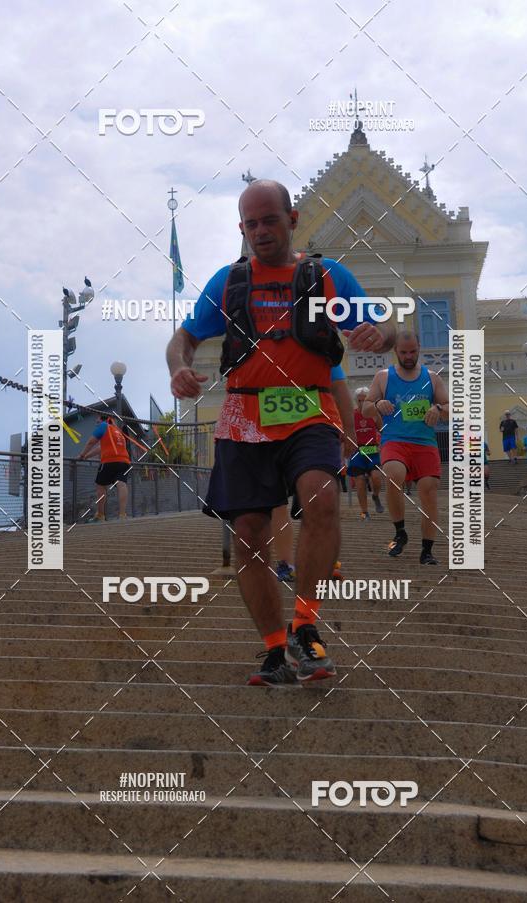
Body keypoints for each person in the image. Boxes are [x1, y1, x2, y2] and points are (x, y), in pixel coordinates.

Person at [167, 179, 396, 685]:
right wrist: (178, 367)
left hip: (309, 410)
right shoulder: (228, 282)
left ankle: (306, 626)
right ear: (242, 229)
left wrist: (381, 334)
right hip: (243, 417)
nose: (261, 231)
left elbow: (391, 330)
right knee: (248, 534)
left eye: (270, 220)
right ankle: (274, 650)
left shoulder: (328, 277)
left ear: (292, 220)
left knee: (321, 499)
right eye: (251, 224)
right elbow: (183, 337)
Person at [363, 330, 449, 565]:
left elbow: (451, 407)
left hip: (425, 443)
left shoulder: (432, 378)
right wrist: (378, 404)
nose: (408, 356)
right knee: (393, 475)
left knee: (429, 491)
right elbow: (366, 408)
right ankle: (400, 531)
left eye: (413, 352)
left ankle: (427, 550)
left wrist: (438, 409)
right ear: (396, 352)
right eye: (403, 352)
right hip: (395, 440)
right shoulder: (383, 377)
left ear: (419, 348)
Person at [272, 365, 357, 582]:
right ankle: (285, 563)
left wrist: (349, 430)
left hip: (314, 431)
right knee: (277, 501)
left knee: (320, 497)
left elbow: (339, 387)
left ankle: (322, 563)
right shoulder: (261, 341)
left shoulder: (316, 339)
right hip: (270, 428)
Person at [78, 415, 130, 521]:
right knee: (121, 484)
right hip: (124, 461)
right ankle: (122, 515)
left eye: (97, 419)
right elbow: (101, 448)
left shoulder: (103, 426)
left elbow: (91, 442)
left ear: (102, 419)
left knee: (100, 485)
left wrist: (82, 455)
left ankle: (100, 515)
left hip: (109, 460)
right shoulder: (117, 431)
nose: (96, 422)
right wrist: (87, 456)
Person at [347, 386, 384, 521]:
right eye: (359, 400)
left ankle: (375, 495)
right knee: (360, 482)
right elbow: (346, 433)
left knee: (376, 477)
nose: (362, 403)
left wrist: (384, 445)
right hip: (357, 451)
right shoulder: (351, 415)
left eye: (364, 400)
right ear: (356, 401)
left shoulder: (374, 414)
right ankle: (364, 512)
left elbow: (383, 430)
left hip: (373, 450)